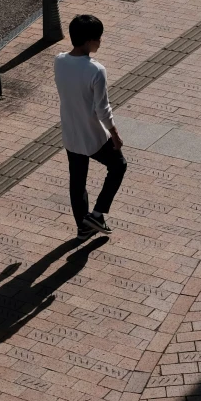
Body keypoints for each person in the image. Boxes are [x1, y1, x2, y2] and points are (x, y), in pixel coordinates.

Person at [54, 14, 127, 241]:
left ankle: (83, 227)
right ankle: (96, 214)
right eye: (98, 38)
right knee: (118, 166)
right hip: (93, 136)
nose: (100, 42)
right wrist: (114, 135)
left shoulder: (59, 60)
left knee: (77, 182)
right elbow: (102, 110)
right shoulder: (96, 70)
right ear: (87, 41)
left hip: (70, 133)